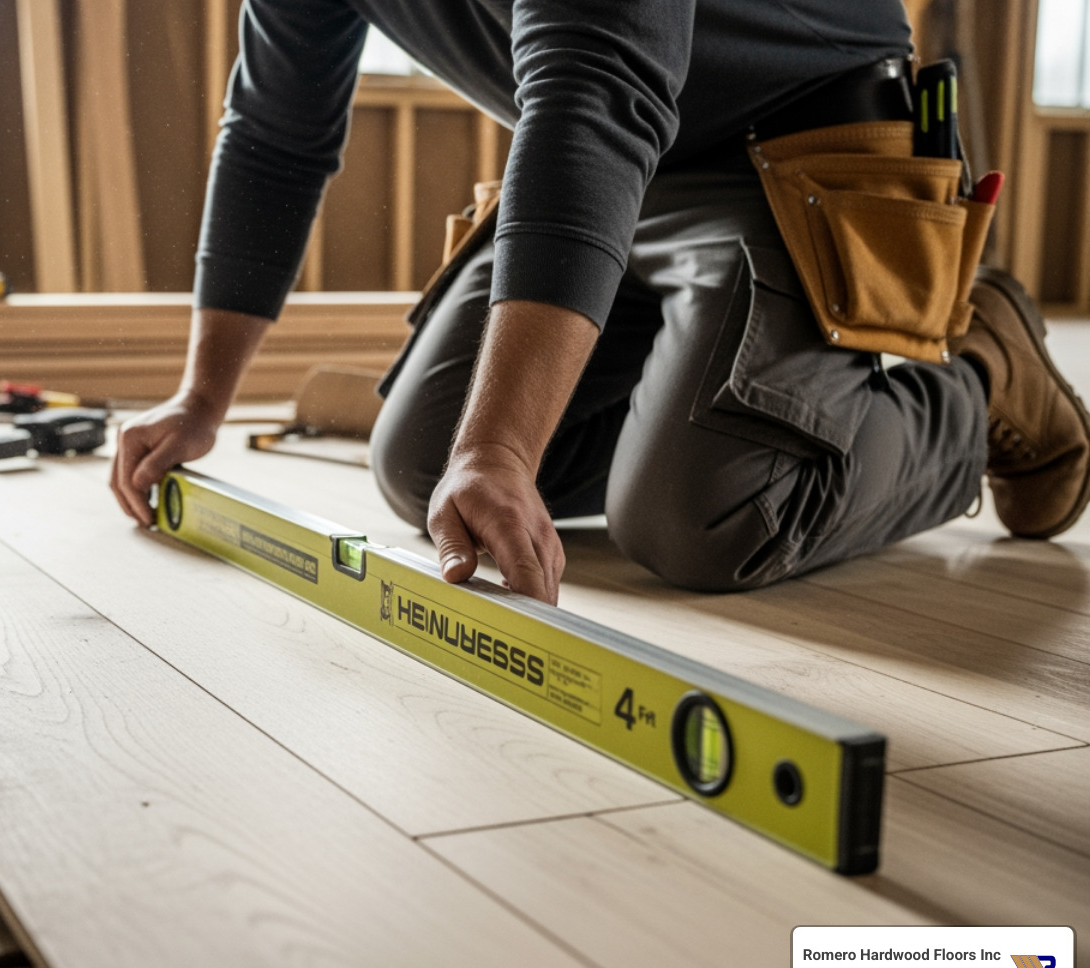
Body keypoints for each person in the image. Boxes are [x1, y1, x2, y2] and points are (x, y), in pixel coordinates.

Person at [109, 0, 1090, 605]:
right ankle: (706, 402)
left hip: (789, 148)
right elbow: (275, 135)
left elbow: (595, 94)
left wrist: (502, 449)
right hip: (614, 164)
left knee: (708, 515)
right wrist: (202, 400)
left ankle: (981, 370)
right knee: (421, 468)